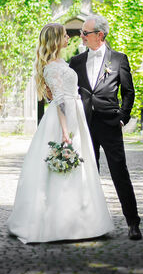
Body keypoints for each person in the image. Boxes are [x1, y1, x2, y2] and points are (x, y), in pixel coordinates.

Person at [6, 23, 114, 244]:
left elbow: (57, 95)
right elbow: (58, 101)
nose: (69, 38)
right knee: (60, 165)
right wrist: (65, 131)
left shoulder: (61, 63)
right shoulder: (52, 67)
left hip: (76, 116)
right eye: (65, 35)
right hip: (64, 120)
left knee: (79, 166)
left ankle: (78, 218)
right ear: (56, 40)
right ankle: (56, 221)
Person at [69, 15, 142, 240]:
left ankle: (133, 222)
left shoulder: (119, 60)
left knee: (120, 173)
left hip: (110, 124)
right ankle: (87, 222)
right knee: (86, 173)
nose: (81, 36)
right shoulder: (76, 61)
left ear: (99, 35)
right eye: (81, 32)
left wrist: (123, 117)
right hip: (85, 125)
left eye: (85, 33)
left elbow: (128, 92)